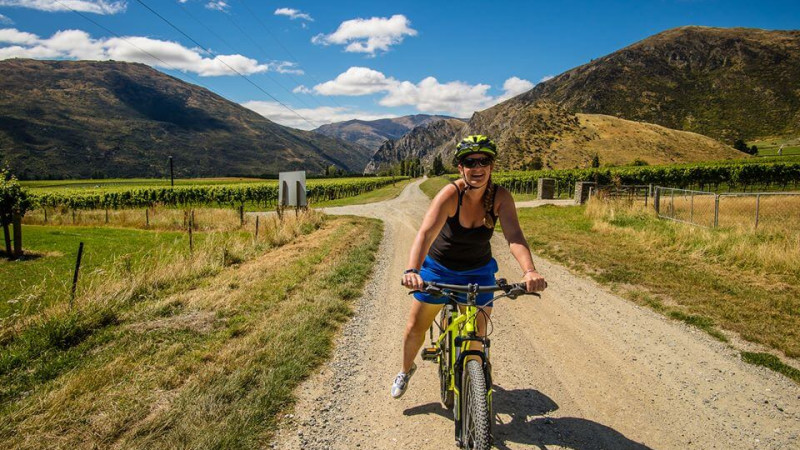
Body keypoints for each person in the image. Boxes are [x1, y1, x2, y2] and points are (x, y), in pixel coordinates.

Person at [391, 134, 547, 398]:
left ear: (492, 166)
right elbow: (425, 235)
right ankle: (405, 370)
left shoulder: (501, 197)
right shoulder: (451, 194)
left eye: (483, 160)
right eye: (469, 161)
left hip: (478, 271)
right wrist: (412, 271)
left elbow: (515, 236)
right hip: (439, 269)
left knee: (477, 337)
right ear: (460, 167)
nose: (477, 167)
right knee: (415, 327)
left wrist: (529, 270)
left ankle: (473, 377)